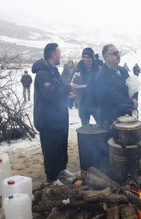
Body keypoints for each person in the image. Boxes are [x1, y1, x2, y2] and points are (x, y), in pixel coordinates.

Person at [32, 43, 73, 185]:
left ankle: (61, 169)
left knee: (61, 144)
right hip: (48, 119)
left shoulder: (53, 71)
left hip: (59, 116)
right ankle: (51, 177)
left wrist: (67, 93)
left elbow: (58, 89)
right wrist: (67, 89)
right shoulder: (43, 73)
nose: (60, 55)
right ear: (53, 55)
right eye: (59, 53)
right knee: (51, 147)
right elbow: (51, 95)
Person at [95, 44, 138, 125]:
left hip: (126, 115)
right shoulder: (102, 75)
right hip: (110, 119)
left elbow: (130, 87)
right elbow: (111, 96)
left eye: (118, 53)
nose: (118, 55)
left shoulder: (123, 71)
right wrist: (131, 103)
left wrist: (135, 97)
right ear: (106, 57)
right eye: (115, 54)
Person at [70, 47, 100, 126]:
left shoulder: (98, 70)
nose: (85, 59)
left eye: (88, 57)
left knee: (101, 125)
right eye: (84, 57)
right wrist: (74, 87)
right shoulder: (78, 70)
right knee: (85, 127)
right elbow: (70, 82)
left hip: (96, 103)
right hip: (83, 103)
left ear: (92, 58)